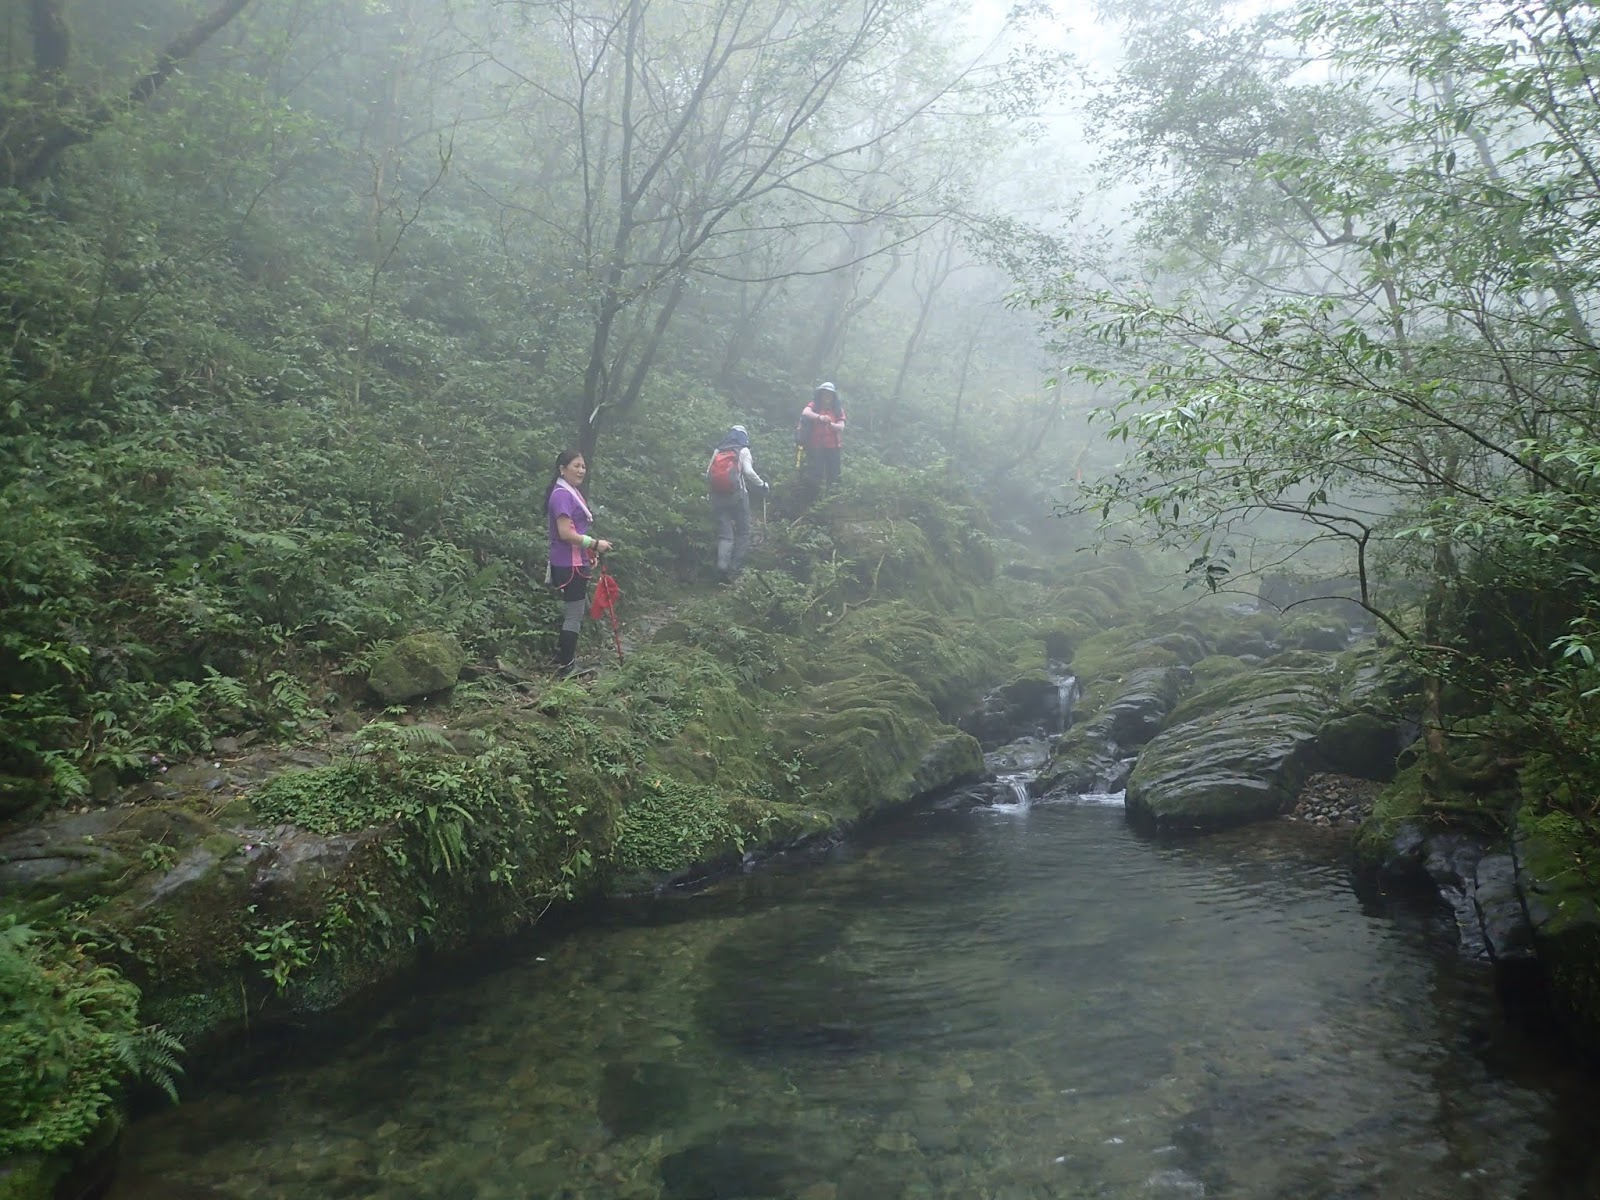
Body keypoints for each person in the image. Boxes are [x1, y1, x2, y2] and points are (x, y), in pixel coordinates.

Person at [544, 449, 613, 674]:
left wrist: (589, 553)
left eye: (583, 466)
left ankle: (563, 656)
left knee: (574, 612)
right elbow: (565, 533)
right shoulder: (562, 495)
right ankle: (567, 665)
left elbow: (576, 529)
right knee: (574, 614)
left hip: (574, 560)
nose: (581, 470)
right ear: (562, 469)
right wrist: (594, 544)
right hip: (569, 564)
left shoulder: (569, 491)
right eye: (576, 466)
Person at [705, 424, 769, 580]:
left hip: (718, 497)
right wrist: (762, 485)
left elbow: (708, 474)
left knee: (725, 535)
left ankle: (722, 566)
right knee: (743, 532)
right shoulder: (743, 450)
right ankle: (734, 570)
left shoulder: (719, 450)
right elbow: (749, 472)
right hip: (738, 497)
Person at [799, 382, 845, 487]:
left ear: (833, 396)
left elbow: (841, 426)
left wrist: (830, 424)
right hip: (815, 445)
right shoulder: (814, 406)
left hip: (833, 446)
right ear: (820, 394)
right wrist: (820, 418)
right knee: (814, 474)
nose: (827, 396)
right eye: (825, 393)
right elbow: (805, 412)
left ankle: (833, 494)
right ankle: (813, 495)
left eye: (830, 394)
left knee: (834, 475)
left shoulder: (838, 410)